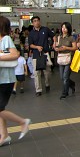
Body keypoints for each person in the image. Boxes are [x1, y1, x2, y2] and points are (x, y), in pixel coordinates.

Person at [0, 16, 31, 146]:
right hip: (1, 79)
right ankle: (4, 136)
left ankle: (22, 122)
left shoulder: (6, 39)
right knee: (0, 108)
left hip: (6, 79)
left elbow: (15, 54)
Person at [28, 16, 54, 96]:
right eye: (35, 21)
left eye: (38, 20)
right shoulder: (31, 33)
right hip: (36, 55)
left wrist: (54, 43)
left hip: (45, 53)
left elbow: (54, 36)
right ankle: (38, 90)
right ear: (33, 23)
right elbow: (30, 45)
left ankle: (47, 84)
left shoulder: (45, 29)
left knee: (47, 72)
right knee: (36, 73)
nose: (37, 22)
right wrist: (37, 47)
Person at [53, 22, 77, 100]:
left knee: (65, 77)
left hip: (68, 58)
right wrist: (56, 47)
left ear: (68, 29)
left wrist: (66, 48)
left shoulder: (71, 37)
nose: (63, 29)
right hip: (61, 58)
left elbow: (75, 48)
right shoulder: (59, 37)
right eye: (62, 27)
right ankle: (72, 84)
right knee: (62, 77)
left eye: (65, 28)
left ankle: (64, 93)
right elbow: (56, 46)